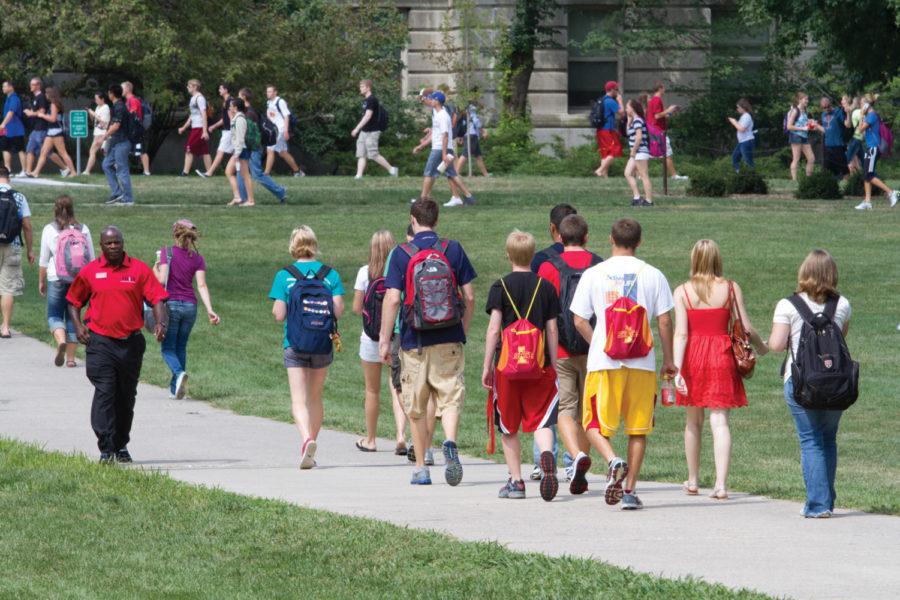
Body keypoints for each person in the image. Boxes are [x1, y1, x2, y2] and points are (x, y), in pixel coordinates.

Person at [570, 218, 676, 510]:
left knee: (593, 422)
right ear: (639, 242)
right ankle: (629, 491)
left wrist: (600, 344)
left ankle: (612, 460)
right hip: (642, 363)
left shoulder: (594, 273)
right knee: (638, 429)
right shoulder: (653, 274)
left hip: (604, 363)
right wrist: (669, 359)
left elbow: (579, 319)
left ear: (610, 239)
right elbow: (665, 320)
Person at [378, 199, 476, 486]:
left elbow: (393, 298)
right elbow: (469, 297)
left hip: (413, 340)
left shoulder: (401, 253)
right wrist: (462, 328)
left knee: (417, 406)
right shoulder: (452, 249)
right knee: (450, 397)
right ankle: (450, 441)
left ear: (412, 219)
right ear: (437, 219)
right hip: (450, 337)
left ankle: (421, 467)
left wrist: (385, 340)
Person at [673, 240, 767, 499]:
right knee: (720, 421)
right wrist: (762, 347)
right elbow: (745, 328)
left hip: (693, 356)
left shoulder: (682, 291)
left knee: (693, 421)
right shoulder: (730, 288)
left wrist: (677, 369)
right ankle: (721, 484)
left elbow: (681, 333)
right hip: (721, 354)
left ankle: (693, 480)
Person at [66, 226, 169, 463]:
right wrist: (78, 326)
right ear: (101, 246)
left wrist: (161, 322)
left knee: (126, 396)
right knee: (105, 392)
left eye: (117, 242)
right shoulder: (91, 271)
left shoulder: (138, 269)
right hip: (100, 342)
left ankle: (121, 445)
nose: (113, 246)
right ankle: (105, 447)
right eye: (108, 243)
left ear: (123, 243)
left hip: (130, 343)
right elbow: (73, 301)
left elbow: (157, 298)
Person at [767, 250, 851, 518]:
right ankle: (826, 499)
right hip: (836, 384)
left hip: (801, 382)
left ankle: (818, 504)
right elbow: (841, 340)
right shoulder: (842, 304)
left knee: (811, 440)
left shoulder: (788, 305)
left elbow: (777, 345)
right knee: (828, 439)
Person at [482, 230, 561, 501]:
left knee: (509, 425)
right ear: (532, 255)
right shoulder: (546, 287)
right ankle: (547, 455)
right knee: (540, 419)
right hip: (539, 365)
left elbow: (494, 330)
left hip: (507, 367)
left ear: (508, 255)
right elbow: (552, 330)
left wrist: (486, 366)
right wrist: (552, 362)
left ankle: (516, 482)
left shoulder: (499, 287)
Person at [269, 226, 345, 469]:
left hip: (295, 342)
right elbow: (338, 310)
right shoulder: (329, 274)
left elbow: (279, 315)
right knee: (315, 397)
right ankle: (312, 448)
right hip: (322, 343)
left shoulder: (284, 275)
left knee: (298, 399)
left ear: (294, 245)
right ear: (314, 244)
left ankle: (306, 440)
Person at [536, 214, 602, 494]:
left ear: (559, 238)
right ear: (586, 237)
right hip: (593, 346)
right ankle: (580, 466)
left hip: (560, 349)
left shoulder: (549, 267)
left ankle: (576, 456)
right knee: (588, 409)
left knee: (565, 408)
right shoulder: (599, 264)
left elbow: (542, 313)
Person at [353, 229, 407, 453]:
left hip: (371, 337)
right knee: (398, 386)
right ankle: (401, 435)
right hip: (396, 335)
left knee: (372, 390)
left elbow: (356, 308)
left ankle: (371, 439)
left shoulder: (365, 273)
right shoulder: (400, 271)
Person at [153, 219, 219, 398]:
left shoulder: (167, 253)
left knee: (167, 347)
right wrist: (210, 310)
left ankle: (178, 373)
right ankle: (175, 388)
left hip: (172, 305)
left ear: (175, 235)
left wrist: (155, 268)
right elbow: (202, 285)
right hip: (191, 306)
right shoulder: (197, 258)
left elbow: (161, 280)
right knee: (181, 346)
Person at [38, 195, 94, 367]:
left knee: (54, 314)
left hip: (56, 277)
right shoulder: (83, 229)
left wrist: (41, 281)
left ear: (55, 209)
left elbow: (44, 259)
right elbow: (91, 258)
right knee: (73, 316)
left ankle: (60, 340)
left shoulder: (50, 229)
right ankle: (70, 359)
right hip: (78, 279)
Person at [411, 91, 477, 207]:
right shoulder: (438, 113)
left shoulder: (442, 115)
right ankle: (469, 197)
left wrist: (443, 154)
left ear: (437, 101)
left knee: (428, 174)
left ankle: (422, 200)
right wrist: (424, 144)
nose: (430, 100)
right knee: (452, 174)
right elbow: (437, 132)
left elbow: (445, 136)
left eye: (432, 99)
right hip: (444, 148)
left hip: (439, 149)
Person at [236, 88, 287, 204]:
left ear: (243, 97)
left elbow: (251, 132)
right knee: (240, 170)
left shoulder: (249, 113)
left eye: (238, 96)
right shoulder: (246, 111)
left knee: (256, 174)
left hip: (253, 147)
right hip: (248, 146)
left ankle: (280, 192)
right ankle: (242, 198)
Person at [0, 166, 34, 338]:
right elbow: (27, 227)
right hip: (12, 244)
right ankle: (5, 327)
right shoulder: (18, 197)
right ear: (9, 178)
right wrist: (30, 250)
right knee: (7, 288)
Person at [854, 97, 899, 210]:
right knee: (866, 174)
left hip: (873, 148)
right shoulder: (870, 116)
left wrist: (860, 116)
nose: (860, 105)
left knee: (869, 174)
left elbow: (860, 130)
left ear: (867, 105)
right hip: (870, 148)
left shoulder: (872, 115)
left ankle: (891, 192)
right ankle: (867, 201)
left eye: (862, 103)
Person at [26, 86, 77, 178]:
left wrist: (42, 115)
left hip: (56, 131)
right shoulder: (54, 104)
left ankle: (73, 172)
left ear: (50, 94)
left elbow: (53, 119)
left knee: (62, 152)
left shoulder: (54, 104)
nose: (45, 95)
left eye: (46, 93)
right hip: (51, 132)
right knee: (43, 152)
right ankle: (35, 172)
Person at [351, 79, 398, 179]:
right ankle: (358, 176)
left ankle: (392, 170)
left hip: (372, 132)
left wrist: (356, 129)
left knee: (373, 154)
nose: (360, 88)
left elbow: (368, 116)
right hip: (364, 131)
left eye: (362, 87)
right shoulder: (366, 100)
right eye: (360, 87)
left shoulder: (372, 100)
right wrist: (360, 129)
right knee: (361, 154)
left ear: (368, 88)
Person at [99, 84, 134, 206]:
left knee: (122, 170)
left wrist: (104, 136)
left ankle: (128, 198)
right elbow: (114, 124)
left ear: (112, 94)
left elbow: (117, 125)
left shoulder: (119, 107)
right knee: (106, 164)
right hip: (116, 143)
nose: (108, 95)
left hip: (122, 143)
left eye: (109, 93)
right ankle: (117, 192)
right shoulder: (116, 106)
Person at [23, 78, 65, 177]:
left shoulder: (41, 97)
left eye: (33, 84)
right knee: (30, 149)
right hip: (35, 128)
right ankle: (28, 172)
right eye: (30, 84)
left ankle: (65, 168)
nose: (31, 86)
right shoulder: (36, 98)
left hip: (42, 128)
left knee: (48, 152)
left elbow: (42, 112)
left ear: (38, 85)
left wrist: (30, 113)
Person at [646, 83, 687, 180]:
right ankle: (674, 176)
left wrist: (671, 112)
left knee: (650, 153)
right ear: (660, 88)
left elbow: (660, 115)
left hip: (654, 129)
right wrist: (669, 109)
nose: (665, 90)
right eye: (664, 88)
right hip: (657, 130)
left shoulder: (654, 100)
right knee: (667, 153)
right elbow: (657, 116)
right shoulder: (657, 100)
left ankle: (639, 174)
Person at [264, 85, 304, 177]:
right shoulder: (268, 102)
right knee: (283, 153)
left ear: (275, 92)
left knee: (270, 149)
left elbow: (286, 116)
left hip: (280, 129)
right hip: (274, 129)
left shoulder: (280, 101)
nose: (268, 93)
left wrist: (285, 130)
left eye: (270, 91)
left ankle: (266, 174)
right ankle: (297, 172)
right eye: (267, 92)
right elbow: (270, 116)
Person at [198, 83, 234, 178]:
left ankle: (209, 173)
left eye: (220, 89)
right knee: (237, 154)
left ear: (226, 90)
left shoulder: (229, 101)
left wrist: (234, 130)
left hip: (229, 131)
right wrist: (213, 126)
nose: (219, 90)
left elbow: (231, 118)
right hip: (228, 130)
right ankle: (242, 173)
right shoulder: (227, 101)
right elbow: (224, 119)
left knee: (220, 151)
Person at [177, 79, 211, 177]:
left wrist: (204, 131)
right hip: (196, 127)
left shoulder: (199, 98)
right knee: (205, 151)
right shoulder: (193, 98)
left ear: (195, 87)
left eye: (189, 86)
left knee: (189, 148)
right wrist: (183, 127)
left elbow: (204, 114)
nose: (187, 87)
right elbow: (192, 116)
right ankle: (209, 172)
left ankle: (185, 173)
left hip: (199, 128)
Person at [224, 98, 254, 207]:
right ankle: (237, 197)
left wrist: (237, 153)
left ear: (236, 108)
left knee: (245, 175)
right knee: (228, 172)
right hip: (239, 150)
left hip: (241, 150)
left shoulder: (240, 119)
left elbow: (240, 138)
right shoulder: (236, 118)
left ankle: (250, 200)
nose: (230, 107)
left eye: (231, 106)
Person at [624, 99, 653, 207]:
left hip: (640, 152)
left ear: (632, 108)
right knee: (627, 173)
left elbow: (639, 137)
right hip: (636, 153)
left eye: (627, 107)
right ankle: (637, 197)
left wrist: (633, 151)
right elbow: (628, 133)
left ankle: (649, 200)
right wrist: (628, 119)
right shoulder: (634, 120)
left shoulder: (638, 121)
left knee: (644, 175)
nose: (626, 109)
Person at [594, 81, 624, 178]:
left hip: (600, 130)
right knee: (615, 150)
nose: (618, 92)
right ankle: (600, 170)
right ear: (611, 90)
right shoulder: (610, 101)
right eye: (616, 89)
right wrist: (620, 101)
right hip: (608, 130)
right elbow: (621, 113)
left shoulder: (602, 99)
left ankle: (605, 177)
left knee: (605, 153)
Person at [815, 97, 848, 180]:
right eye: (824, 108)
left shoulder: (838, 111)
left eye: (828, 106)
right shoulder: (823, 115)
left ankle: (849, 186)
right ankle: (831, 185)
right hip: (827, 145)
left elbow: (847, 124)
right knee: (828, 168)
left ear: (830, 104)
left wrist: (848, 112)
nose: (826, 109)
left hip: (838, 144)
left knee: (844, 168)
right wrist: (817, 126)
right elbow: (826, 130)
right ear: (821, 107)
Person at [122, 82, 151, 176]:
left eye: (122, 88)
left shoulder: (133, 100)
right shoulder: (127, 101)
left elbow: (133, 111)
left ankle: (146, 171)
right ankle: (123, 170)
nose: (120, 90)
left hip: (136, 130)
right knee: (125, 149)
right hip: (131, 129)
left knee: (142, 150)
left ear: (127, 89)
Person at [787, 92, 816, 181]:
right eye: (805, 99)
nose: (807, 101)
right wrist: (802, 128)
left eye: (807, 99)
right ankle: (794, 180)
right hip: (796, 136)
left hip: (804, 137)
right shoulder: (795, 110)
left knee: (811, 158)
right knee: (796, 159)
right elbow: (789, 126)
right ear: (800, 100)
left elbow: (805, 124)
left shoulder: (805, 111)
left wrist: (811, 125)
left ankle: (808, 180)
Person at [455, 104, 490, 177]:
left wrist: (460, 135)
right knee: (465, 155)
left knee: (478, 156)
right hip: (471, 135)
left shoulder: (463, 107)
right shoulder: (471, 107)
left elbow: (463, 122)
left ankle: (486, 174)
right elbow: (475, 121)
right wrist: (483, 131)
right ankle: (456, 173)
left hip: (468, 134)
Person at [0, 80, 27, 175]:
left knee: (20, 149)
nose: (3, 88)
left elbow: (11, 112)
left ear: (11, 87)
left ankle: (24, 170)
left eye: (4, 86)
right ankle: (8, 170)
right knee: (5, 148)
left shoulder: (14, 98)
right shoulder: (8, 98)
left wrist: (2, 124)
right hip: (6, 129)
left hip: (16, 129)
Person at [82, 92, 110, 176]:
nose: (95, 101)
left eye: (97, 99)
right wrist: (90, 114)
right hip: (97, 132)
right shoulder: (98, 107)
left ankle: (87, 171)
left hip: (102, 133)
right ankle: (114, 170)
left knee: (93, 151)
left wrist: (93, 113)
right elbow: (94, 121)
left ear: (102, 99)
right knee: (105, 153)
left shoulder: (106, 107)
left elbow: (103, 122)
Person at [728, 99, 755, 172]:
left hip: (747, 141)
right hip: (742, 142)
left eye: (738, 107)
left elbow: (741, 129)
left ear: (744, 107)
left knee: (748, 160)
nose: (737, 109)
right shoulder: (744, 116)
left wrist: (734, 122)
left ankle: (752, 176)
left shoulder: (747, 116)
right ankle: (739, 175)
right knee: (735, 158)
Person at [844, 97, 865, 174]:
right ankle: (868, 176)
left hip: (854, 138)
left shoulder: (855, 112)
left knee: (848, 160)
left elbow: (848, 125)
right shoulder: (859, 112)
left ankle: (869, 177)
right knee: (861, 161)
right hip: (857, 138)